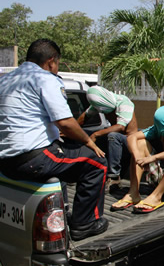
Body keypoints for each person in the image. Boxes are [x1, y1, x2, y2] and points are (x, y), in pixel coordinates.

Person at [0, 38, 108, 241]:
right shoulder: (45, 78)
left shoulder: (6, 79)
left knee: (63, 155)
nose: (56, 68)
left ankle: (62, 214)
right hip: (34, 158)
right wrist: (88, 141)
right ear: (51, 61)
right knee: (97, 162)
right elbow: (65, 123)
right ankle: (84, 223)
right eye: (57, 63)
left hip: (6, 163)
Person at [111, 105, 164, 213]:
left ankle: (156, 197)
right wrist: (138, 156)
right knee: (140, 143)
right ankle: (133, 193)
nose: (162, 129)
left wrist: (153, 158)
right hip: (159, 180)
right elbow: (132, 137)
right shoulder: (157, 129)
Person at [77, 86, 138, 179]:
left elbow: (120, 127)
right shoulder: (98, 103)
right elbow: (85, 117)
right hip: (114, 138)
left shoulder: (123, 102)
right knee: (85, 134)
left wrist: (96, 134)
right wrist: (71, 130)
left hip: (129, 138)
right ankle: (86, 167)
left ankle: (114, 175)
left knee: (112, 136)